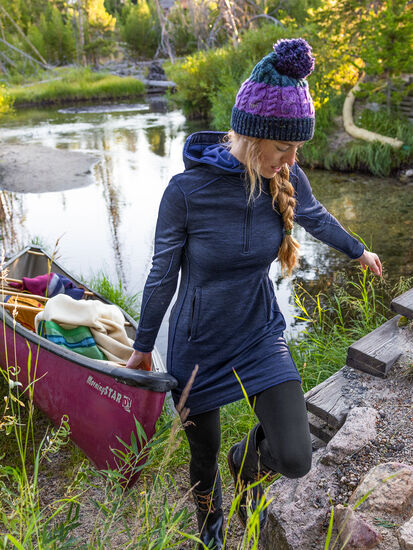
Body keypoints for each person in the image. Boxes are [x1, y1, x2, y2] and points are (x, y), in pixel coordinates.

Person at [126, 38, 382, 549]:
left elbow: (313, 216)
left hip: (260, 332)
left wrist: (358, 251)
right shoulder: (186, 192)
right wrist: (142, 347)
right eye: (283, 147)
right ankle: (212, 539)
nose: (290, 159)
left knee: (294, 455)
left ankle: (246, 461)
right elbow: (161, 275)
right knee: (201, 461)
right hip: (198, 343)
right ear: (252, 134)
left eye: (296, 149)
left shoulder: (283, 177)